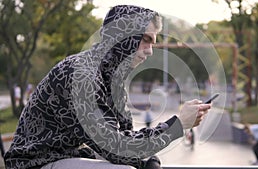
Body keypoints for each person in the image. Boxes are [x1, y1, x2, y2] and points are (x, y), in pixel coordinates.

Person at [4, 5, 212, 169]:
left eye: (153, 43)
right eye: (145, 40)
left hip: (66, 155)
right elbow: (116, 148)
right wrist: (178, 125)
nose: (149, 52)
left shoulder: (113, 80)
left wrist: (146, 161)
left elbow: (125, 138)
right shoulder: (80, 75)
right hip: (33, 163)